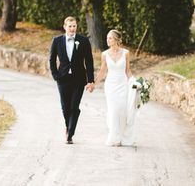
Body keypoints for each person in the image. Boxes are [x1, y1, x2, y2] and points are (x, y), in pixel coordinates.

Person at [49, 16, 94, 144]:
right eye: (70, 26)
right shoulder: (57, 40)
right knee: (65, 107)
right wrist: (55, 75)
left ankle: (70, 133)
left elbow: (89, 61)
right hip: (62, 79)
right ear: (65, 27)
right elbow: (52, 60)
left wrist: (90, 80)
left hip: (79, 79)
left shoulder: (83, 41)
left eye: (74, 26)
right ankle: (67, 126)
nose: (72, 28)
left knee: (74, 106)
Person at [94, 29, 134, 146]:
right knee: (113, 110)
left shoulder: (126, 53)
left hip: (122, 85)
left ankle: (120, 136)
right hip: (110, 86)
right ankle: (114, 137)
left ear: (116, 40)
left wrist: (135, 82)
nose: (107, 40)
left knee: (122, 110)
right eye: (107, 38)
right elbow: (102, 72)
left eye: (110, 38)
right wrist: (93, 84)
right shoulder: (105, 54)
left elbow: (128, 71)